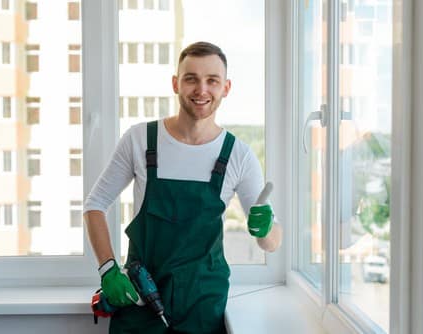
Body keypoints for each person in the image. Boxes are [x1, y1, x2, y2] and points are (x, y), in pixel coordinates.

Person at [83, 41, 282, 334]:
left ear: (225, 88)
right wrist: (108, 269)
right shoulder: (140, 140)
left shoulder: (238, 155)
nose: (201, 90)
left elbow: (272, 243)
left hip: (202, 306)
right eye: (191, 79)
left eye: (212, 80)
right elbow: (95, 205)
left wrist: (265, 229)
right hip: (140, 300)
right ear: (176, 83)